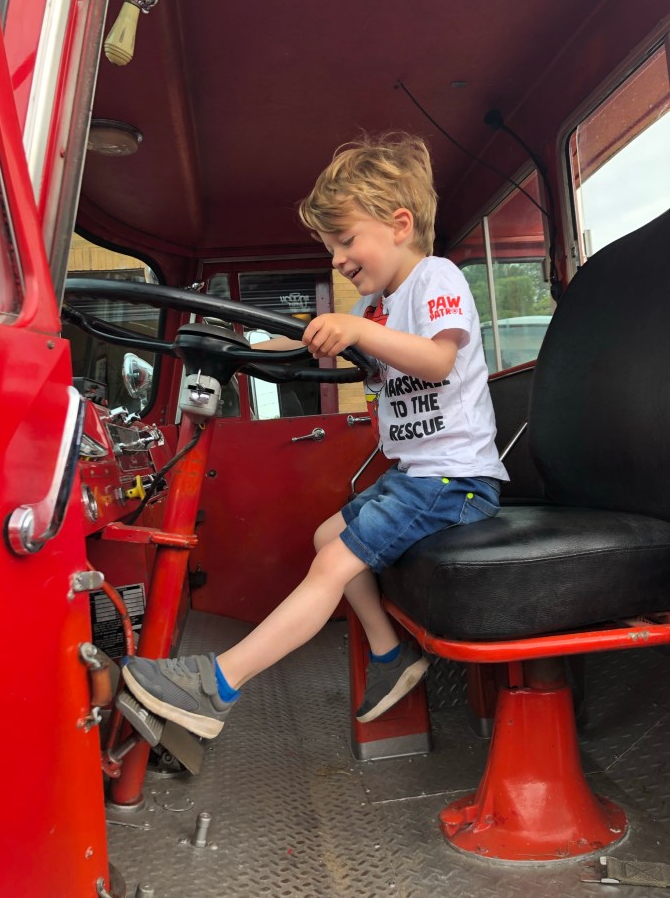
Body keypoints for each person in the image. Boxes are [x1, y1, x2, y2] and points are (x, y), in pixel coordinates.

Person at [121, 132, 508, 739]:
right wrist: (243, 347)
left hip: (456, 480)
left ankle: (217, 686)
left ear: (399, 224)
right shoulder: (373, 308)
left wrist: (357, 333)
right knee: (327, 533)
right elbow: (306, 343)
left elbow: (437, 362)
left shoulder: (437, 279)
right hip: (417, 479)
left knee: (332, 562)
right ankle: (390, 653)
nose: (339, 260)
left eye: (346, 241)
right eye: (332, 248)